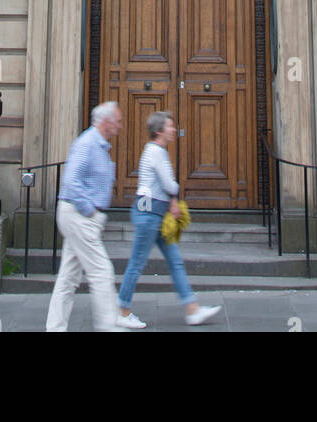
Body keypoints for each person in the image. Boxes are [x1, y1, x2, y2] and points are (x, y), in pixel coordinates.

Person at [117, 111, 220, 328]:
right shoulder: (156, 152)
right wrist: (174, 195)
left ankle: (192, 309)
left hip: (156, 213)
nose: (174, 130)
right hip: (149, 215)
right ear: (159, 131)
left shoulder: (154, 151)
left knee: (174, 261)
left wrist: (171, 199)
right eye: (170, 127)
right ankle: (123, 311)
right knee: (137, 264)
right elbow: (169, 183)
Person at [46, 101, 123, 332]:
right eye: (117, 122)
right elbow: (70, 181)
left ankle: (55, 327)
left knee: (68, 277)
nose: (120, 126)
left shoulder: (99, 146)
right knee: (101, 271)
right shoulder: (87, 144)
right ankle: (109, 325)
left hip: (80, 215)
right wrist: (90, 210)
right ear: (106, 121)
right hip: (78, 215)